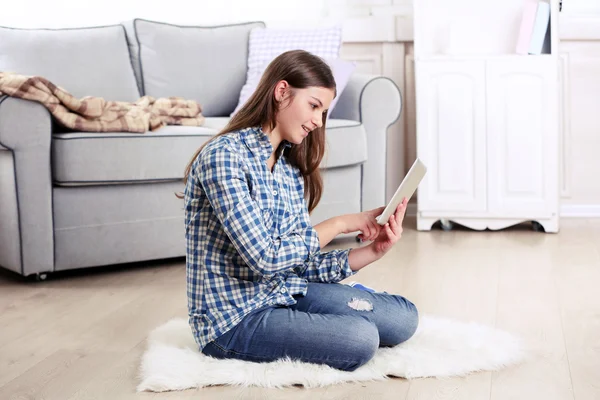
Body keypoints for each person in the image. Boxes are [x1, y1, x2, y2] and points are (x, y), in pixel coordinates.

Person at [181, 49, 418, 372]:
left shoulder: (288, 167)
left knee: (402, 318)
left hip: (283, 291)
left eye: (324, 111)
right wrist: (339, 224)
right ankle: (328, 321)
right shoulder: (224, 158)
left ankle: (324, 316)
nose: (318, 122)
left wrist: (372, 251)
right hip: (233, 319)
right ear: (281, 93)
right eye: (314, 106)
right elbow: (266, 258)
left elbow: (298, 264)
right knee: (360, 339)